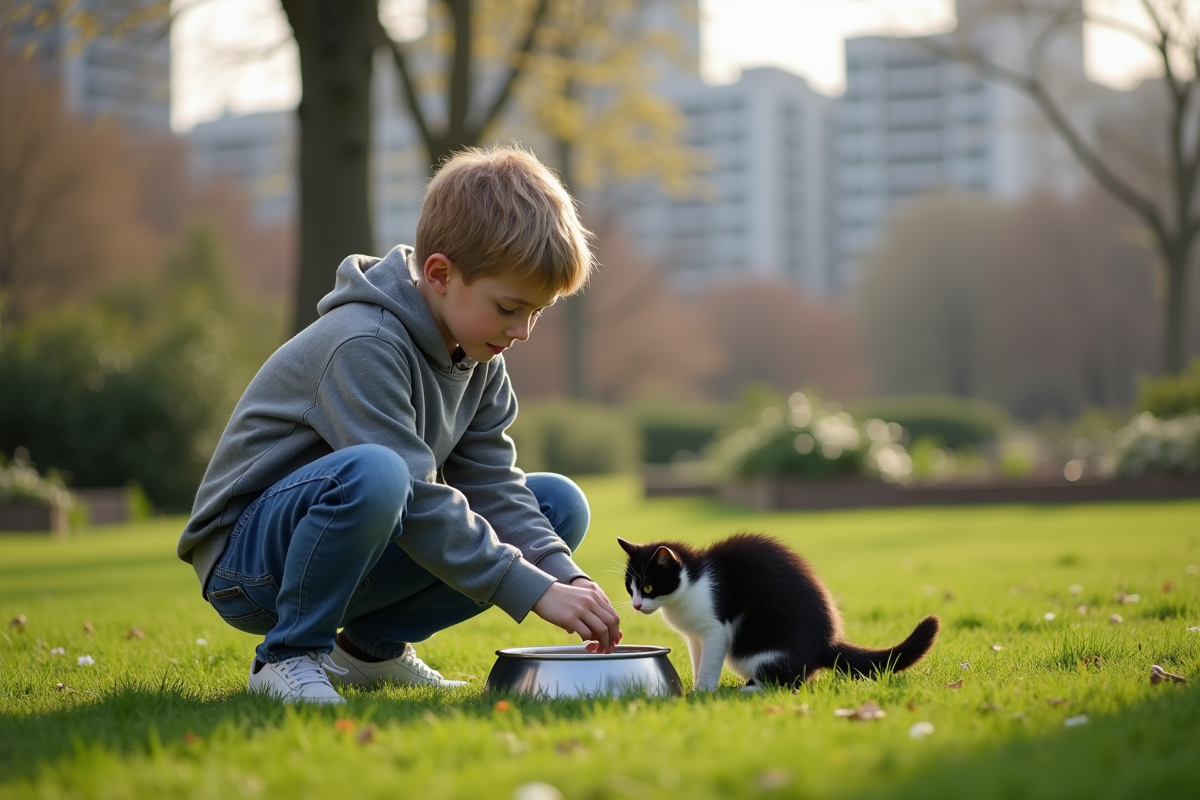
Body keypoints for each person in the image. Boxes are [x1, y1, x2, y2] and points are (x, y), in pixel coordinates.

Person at [177, 146, 622, 705]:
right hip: (249, 565)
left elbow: (493, 486)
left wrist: (564, 577)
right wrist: (530, 590)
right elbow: (411, 493)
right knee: (380, 473)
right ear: (440, 274)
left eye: (537, 312)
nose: (524, 331)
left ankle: (369, 653)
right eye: (509, 308)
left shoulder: (480, 358)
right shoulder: (365, 342)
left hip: (358, 544)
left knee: (557, 503)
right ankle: (287, 656)